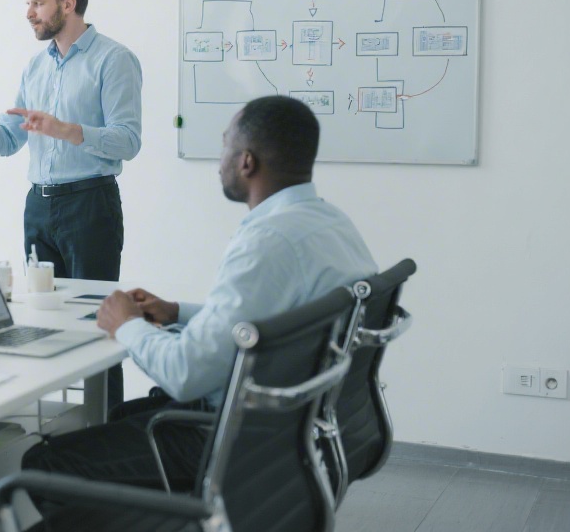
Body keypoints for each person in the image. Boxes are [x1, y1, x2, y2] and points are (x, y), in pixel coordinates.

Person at [21, 95, 378, 503]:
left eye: (225, 145)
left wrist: (127, 326)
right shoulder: (329, 222)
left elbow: (185, 373)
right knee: (121, 418)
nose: (219, 160)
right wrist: (176, 312)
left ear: (247, 162)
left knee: (42, 463)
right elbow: (264, 321)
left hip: (230, 436)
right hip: (288, 428)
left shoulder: (266, 242)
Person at [0, 0, 142, 406]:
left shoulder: (114, 59)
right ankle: (57, 433)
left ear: (69, 4)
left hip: (90, 204)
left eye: (38, 3)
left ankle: (109, 432)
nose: (29, 13)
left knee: (100, 324)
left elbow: (127, 141)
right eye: (27, 4)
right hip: (39, 207)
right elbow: (8, 141)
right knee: (42, 322)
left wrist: (65, 129)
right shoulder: (35, 68)